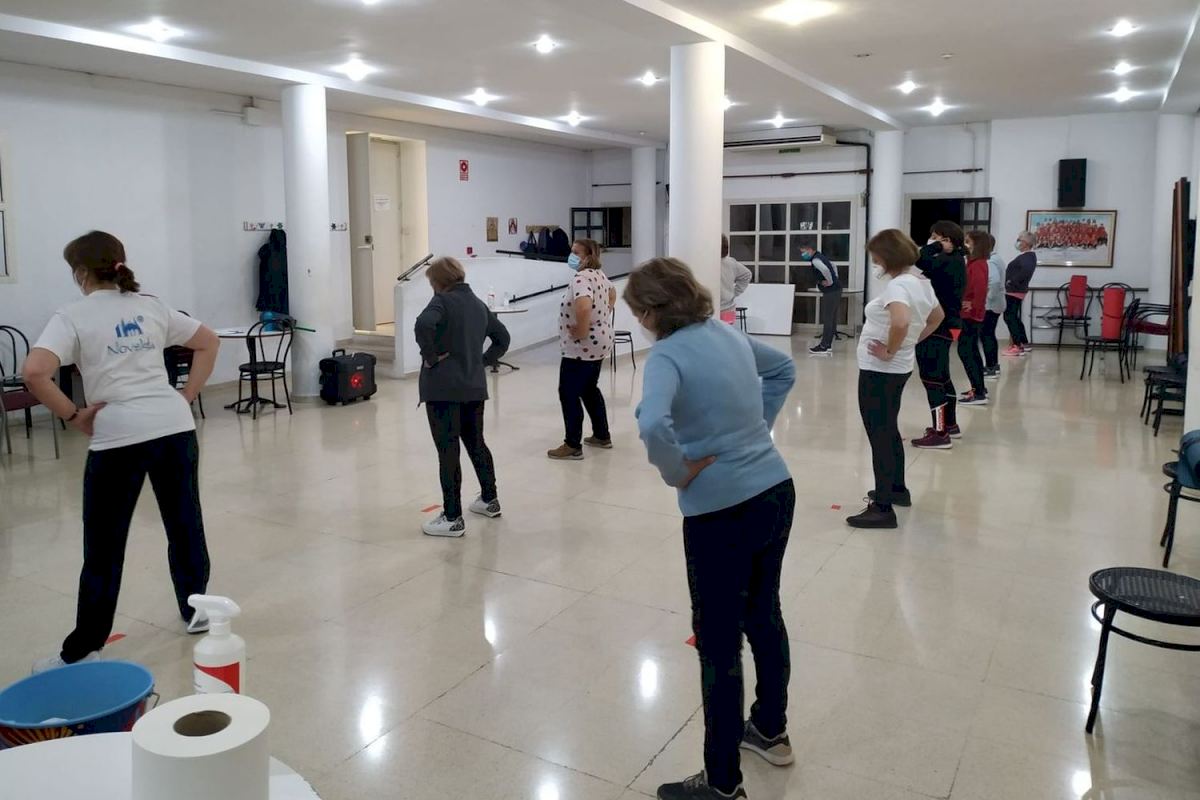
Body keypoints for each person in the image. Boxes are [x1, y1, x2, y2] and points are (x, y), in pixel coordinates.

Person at [626, 258, 796, 800]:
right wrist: (756, 430)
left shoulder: (667, 355)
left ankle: (722, 782)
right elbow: (783, 369)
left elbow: (652, 423)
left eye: (637, 313)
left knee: (719, 644)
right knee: (763, 614)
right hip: (775, 490)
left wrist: (678, 471)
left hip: (721, 510)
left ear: (651, 311)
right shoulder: (726, 333)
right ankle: (769, 728)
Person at [22, 231, 219, 672]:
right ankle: (197, 611)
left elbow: (34, 372)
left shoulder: (72, 315)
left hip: (118, 437)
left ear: (80, 273)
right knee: (185, 524)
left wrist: (74, 415)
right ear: (119, 265)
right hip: (174, 428)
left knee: (104, 545)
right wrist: (185, 395)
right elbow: (209, 341)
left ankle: (84, 648)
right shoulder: (151, 306)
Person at [848, 230, 943, 529]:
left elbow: (901, 321)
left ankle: (882, 507)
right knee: (889, 429)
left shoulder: (899, 286)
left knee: (879, 434)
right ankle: (896, 489)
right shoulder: (921, 281)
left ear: (887, 256)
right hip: (898, 368)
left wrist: (890, 349)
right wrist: (908, 344)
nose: (875, 262)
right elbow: (937, 318)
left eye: (876, 257)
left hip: (880, 370)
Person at [414, 256, 510, 537]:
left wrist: (430, 357)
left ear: (438, 281)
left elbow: (423, 324)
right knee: (476, 443)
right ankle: (489, 499)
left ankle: (452, 516)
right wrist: (482, 361)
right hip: (473, 387)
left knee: (448, 449)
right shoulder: (478, 304)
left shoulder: (442, 301)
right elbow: (503, 338)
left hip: (444, 389)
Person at [548, 238, 616, 460]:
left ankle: (572, 445)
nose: (572, 256)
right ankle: (602, 435)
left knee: (568, 393)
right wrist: (604, 313)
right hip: (600, 342)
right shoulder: (599, 275)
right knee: (589, 389)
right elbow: (612, 293)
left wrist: (582, 330)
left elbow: (584, 306)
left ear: (588, 256)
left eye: (576, 252)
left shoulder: (581, 278)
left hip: (582, 347)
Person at [912, 221, 966, 449]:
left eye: (937, 237)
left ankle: (940, 432)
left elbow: (918, 258)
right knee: (942, 377)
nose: (932, 241)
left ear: (948, 240)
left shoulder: (947, 260)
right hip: (950, 324)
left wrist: (934, 247)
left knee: (932, 379)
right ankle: (950, 424)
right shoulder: (956, 260)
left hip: (938, 327)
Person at [957, 231, 992, 407]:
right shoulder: (974, 263)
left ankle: (978, 392)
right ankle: (978, 388)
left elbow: (980, 289)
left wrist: (973, 306)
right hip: (970, 313)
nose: (966, 244)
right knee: (971, 351)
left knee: (966, 351)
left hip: (970, 316)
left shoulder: (978, 264)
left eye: (968, 241)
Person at [800, 245, 842, 356]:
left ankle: (824, 346)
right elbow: (833, 265)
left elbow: (825, 269)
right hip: (836, 290)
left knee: (828, 318)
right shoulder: (820, 257)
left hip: (831, 292)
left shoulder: (815, 260)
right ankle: (828, 345)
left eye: (803, 252)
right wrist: (835, 278)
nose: (802, 255)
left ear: (810, 249)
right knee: (832, 318)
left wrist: (830, 281)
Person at [1002, 230, 1038, 356]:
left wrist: (1011, 281)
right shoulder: (1027, 256)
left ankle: (1017, 346)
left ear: (1026, 243)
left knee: (1009, 317)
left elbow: (1026, 271)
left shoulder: (1028, 257)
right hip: (1015, 290)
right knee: (1014, 317)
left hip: (1014, 291)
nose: (1017, 242)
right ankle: (1023, 342)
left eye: (1019, 240)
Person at [983, 233, 1006, 379]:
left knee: (986, 335)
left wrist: (987, 298)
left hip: (991, 305)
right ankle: (994, 365)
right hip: (996, 303)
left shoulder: (990, 261)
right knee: (990, 334)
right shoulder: (996, 258)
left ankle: (991, 367)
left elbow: (995, 281)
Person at [719, 235, 752, 325]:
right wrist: (734, 293)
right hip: (729, 309)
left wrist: (735, 292)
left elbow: (747, 275)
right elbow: (747, 274)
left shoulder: (705, 263)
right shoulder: (731, 262)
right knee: (728, 332)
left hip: (712, 311)